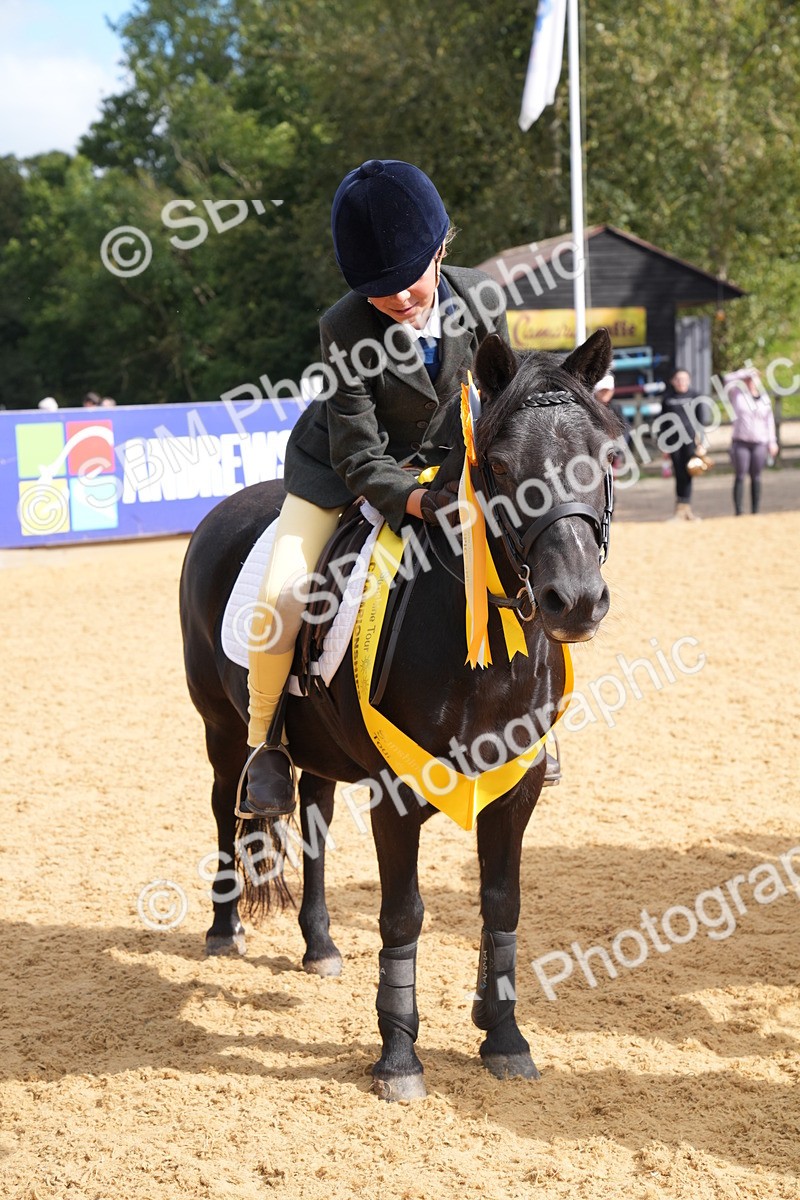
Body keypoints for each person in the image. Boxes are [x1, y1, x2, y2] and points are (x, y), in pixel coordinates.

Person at [242, 158, 518, 817]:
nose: (396, 299)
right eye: (378, 288)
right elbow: (360, 450)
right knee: (281, 595)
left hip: (452, 464)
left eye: (407, 279)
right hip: (339, 470)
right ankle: (266, 747)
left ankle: (526, 718)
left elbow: (504, 404)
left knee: (522, 557)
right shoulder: (345, 325)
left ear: (441, 248)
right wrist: (418, 502)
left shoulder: (481, 296)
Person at [660, 368, 712, 521]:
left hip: (690, 441)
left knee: (689, 472)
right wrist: (663, 444)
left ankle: (687, 508)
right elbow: (662, 423)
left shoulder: (695, 396)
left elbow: (700, 420)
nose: (681, 382)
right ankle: (679, 509)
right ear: (672, 381)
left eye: (684, 379)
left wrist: (701, 442)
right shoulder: (667, 398)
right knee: (679, 474)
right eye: (678, 379)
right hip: (673, 442)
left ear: (688, 380)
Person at [725, 368, 778, 515]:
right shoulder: (737, 395)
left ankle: (755, 510)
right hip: (741, 441)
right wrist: (744, 373)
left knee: (756, 475)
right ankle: (739, 511)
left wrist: (772, 442)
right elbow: (727, 378)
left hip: (759, 442)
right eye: (748, 379)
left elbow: (770, 422)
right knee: (740, 474)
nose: (750, 382)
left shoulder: (764, 399)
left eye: (753, 379)